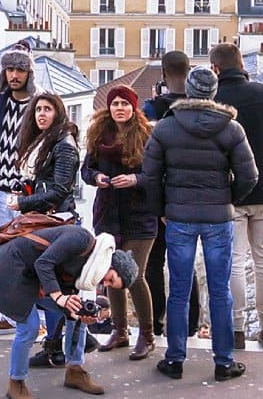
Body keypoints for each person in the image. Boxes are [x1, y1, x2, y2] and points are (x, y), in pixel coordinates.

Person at [142, 65, 258, 383]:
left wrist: (160, 209)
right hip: (218, 218)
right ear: (214, 92)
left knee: (178, 291)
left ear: (189, 91)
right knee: (220, 292)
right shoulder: (231, 129)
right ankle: (223, 362)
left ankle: (175, 359)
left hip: (178, 217)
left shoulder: (165, 128)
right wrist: (227, 198)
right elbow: (250, 176)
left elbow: (150, 176)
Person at [0, 222, 139, 399]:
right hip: (10, 270)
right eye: (111, 279)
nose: (105, 284)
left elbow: (64, 285)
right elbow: (43, 263)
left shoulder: (89, 265)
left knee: (78, 315)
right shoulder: (81, 239)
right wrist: (59, 297)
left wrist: (77, 310)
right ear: (111, 264)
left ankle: (75, 371)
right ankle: (16, 384)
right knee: (29, 327)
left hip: (32, 278)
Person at [209, 42, 263, 351]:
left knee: (234, 262)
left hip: (230, 191)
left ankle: (237, 330)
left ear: (215, 69)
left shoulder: (213, 100)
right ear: (242, 64)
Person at [81, 83, 158, 360]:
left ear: (133, 107)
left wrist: (135, 179)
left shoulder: (148, 136)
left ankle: (147, 336)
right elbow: (86, 169)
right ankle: (120, 330)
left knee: (134, 276)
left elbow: (157, 175)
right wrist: (96, 178)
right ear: (109, 108)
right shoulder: (99, 134)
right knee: (110, 273)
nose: (120, 108)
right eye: (115, 104)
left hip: (139, 216)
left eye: (125, 104)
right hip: (108, 214)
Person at [14, 92, 81, 368]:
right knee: (49, 283)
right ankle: (56, 344)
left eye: (48, 110)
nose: (41, 114)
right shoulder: (43, 142)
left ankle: (55, 347)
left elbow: (59, 190)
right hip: (44, 221)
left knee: (53, 284)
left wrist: (22, 202)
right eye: (38, 109)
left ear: (58, 113)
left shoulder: (63, 145)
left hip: (57, 222)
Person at [142, 50, 198, 340]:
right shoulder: (200, 109)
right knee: (184, 261)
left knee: (154, 261)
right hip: (189, 195)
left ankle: (156, 319)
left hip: (159, 195)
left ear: (163, 74)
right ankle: (190, 322)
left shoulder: (153, 109)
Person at [0, 48, 36, 332]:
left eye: (19, 70)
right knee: (1, 251)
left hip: (26, 193)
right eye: (10, 70)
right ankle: (4, 315)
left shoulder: (38, 103)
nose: (14, 75)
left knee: (28, 251)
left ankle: (30, 318)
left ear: (29, 73)